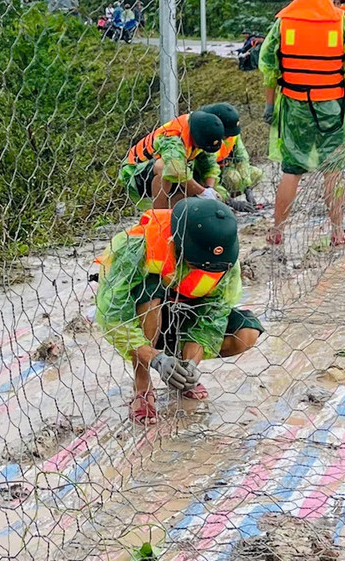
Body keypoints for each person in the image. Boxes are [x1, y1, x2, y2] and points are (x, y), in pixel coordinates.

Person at [95, 198, 263, 423]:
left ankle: (181, 373)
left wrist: (191, 365)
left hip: (185, 317)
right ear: (176, 244)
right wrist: (156, 359)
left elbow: (213, 316)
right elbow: (113, 317)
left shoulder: (223, 262)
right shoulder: (135, 248)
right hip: (147, 316)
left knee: (245, 335)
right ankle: (142, 383)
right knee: (150, 293)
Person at [259, 0, 345, 246]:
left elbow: (269, 67)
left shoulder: (284, 23)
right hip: (332, 108)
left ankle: (277, 232)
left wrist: (270, 105)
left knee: (291, 170)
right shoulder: (340, 22)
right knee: (333, 170)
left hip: (294, 108)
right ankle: (337, 232)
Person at [121, 108, 229, 209]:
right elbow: (175, 170)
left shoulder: (201, 134)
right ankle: (158, 217)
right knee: (166, 166)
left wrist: (210, 189)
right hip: (137, 175)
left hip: (170, 178)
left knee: (196, 176)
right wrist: (203, 192)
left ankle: (175, 214)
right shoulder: (173, 137)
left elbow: (210, 166)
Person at [199, 102, 264, 213]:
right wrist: (230, 202)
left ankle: (229, 194)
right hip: (208, 175)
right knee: (232, 178)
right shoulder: (207, 137)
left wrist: (247, 188)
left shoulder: (233, 133)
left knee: (256, 173)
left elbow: (242, 158)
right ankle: (223, 198)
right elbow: (209, 173)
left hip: (225, 167)